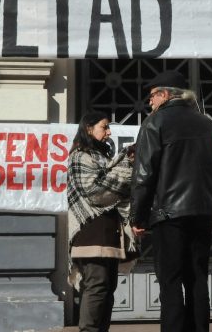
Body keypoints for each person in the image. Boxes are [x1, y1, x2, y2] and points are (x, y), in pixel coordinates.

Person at [129, 70, 212, 332]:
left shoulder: (155, 123)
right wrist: (209, 206)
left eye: (152, 96)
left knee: (170, 282)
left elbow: (144, 175)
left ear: (165, 94)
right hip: (202, 213)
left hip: (168, 215)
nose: (149, 102)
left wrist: (138, 217)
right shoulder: (208, 125)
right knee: (197, 279)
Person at [67, 111, 138, 332]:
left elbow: (112, 182)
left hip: (109, 232)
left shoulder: (102, 157)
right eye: (104, 127)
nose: (108, 133)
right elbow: (95, 192)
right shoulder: (80, 156)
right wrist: (125, 165)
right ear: (89, 128)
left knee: (107, 288)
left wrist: (123, 164)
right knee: (96, 286)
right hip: (91, 232)